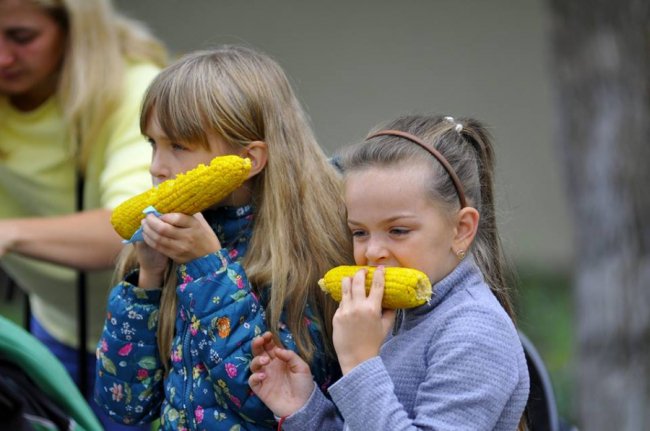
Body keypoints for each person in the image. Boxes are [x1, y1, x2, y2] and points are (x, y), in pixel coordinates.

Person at [94, 45, 353, 430]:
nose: (156, 167)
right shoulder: (174, 246)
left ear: (249, 160)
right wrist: (147, 280)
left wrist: (209, 269)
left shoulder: (307, 257)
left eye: (178, 146)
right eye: (153, 143)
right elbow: (124, 405)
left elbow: (269, 405)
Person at [249, 114, 530, 430]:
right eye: (359, 232)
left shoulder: (475, 332)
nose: (371, 252)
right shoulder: (395, 316)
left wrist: (360, 364)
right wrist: (303, 406)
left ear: (461, 229)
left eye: (397, 230)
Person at [0, 0, 167, 429]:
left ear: (74, 29)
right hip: (53, 327)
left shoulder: (133, 88)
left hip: (143, 338)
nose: (2, 56)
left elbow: (135, 227)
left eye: (22, 37)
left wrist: (9, 233)